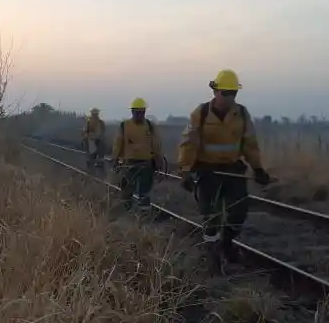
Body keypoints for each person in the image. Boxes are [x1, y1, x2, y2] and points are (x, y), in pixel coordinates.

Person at [177, 69, 271, 267]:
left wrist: (258, 169)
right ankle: (211, 255)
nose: (229, 97)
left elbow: (250, 145)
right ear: (215, 92)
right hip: (207, 172)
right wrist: (185, 171)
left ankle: (226, 243)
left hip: (232, 170)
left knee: (239, 211)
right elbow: (189, 143)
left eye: (233, 93)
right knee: (211, 217)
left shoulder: (242, 114)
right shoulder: (200, 114)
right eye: (225, 93)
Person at [112, 98, 164, 215]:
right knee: (126, 190)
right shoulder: (124, 126)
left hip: (146, 164)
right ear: (132, 112)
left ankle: (143, 216)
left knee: (144, 192)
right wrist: (115, 158)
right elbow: (118, 143)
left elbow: (156, 145)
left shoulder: (150, 126)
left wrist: (159, 162)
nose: (140, 114)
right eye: (137, 112)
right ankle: (127, 212)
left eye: (142, 112)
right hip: (129, 164)